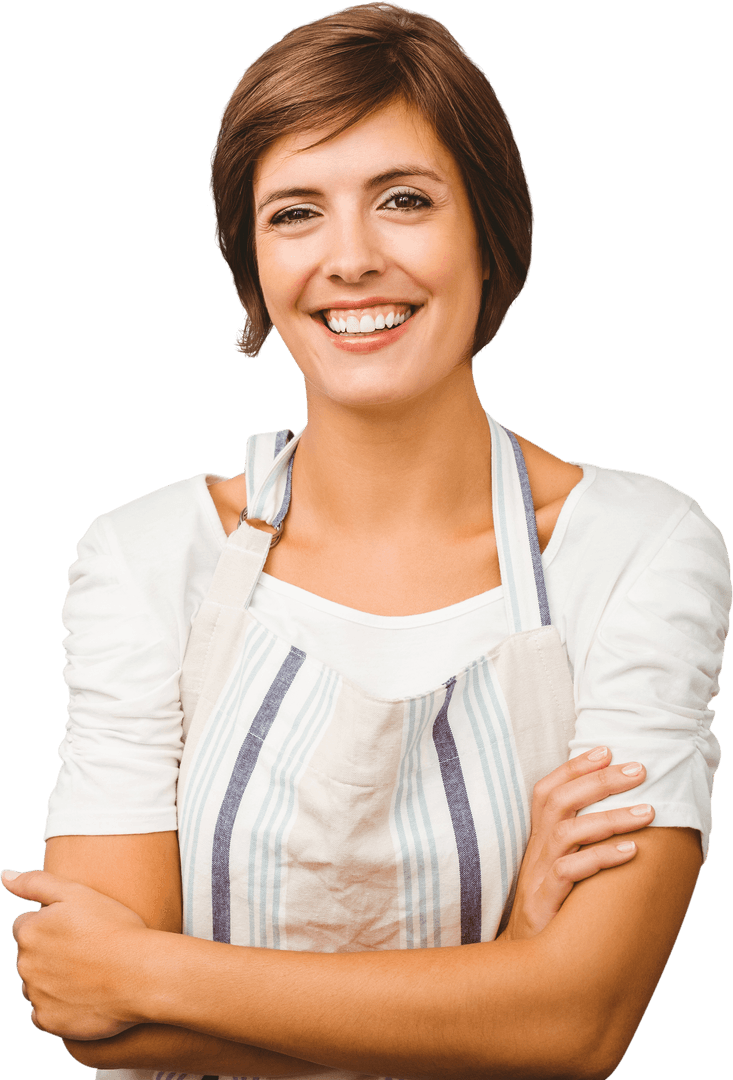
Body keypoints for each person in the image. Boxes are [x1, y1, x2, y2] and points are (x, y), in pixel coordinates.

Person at [4, 4, 729, 1079]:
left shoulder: (638, 550)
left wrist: (153, 971)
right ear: (252, 260)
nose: (350, 259)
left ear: (488, 232)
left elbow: (580, 1025)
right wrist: (508, 975)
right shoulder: (145, 558)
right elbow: (92, 1013)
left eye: (403, 200)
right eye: (295, 212)